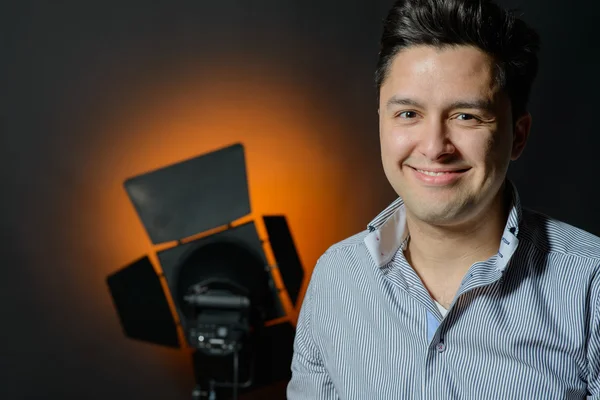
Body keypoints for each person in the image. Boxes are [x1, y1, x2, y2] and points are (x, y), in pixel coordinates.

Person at [286, 0, 600, 398]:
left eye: (466, 116)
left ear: (517, 135)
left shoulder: (591, 286)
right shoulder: (336, 278)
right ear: (381, 121)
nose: (435, 148)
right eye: (408, 114)